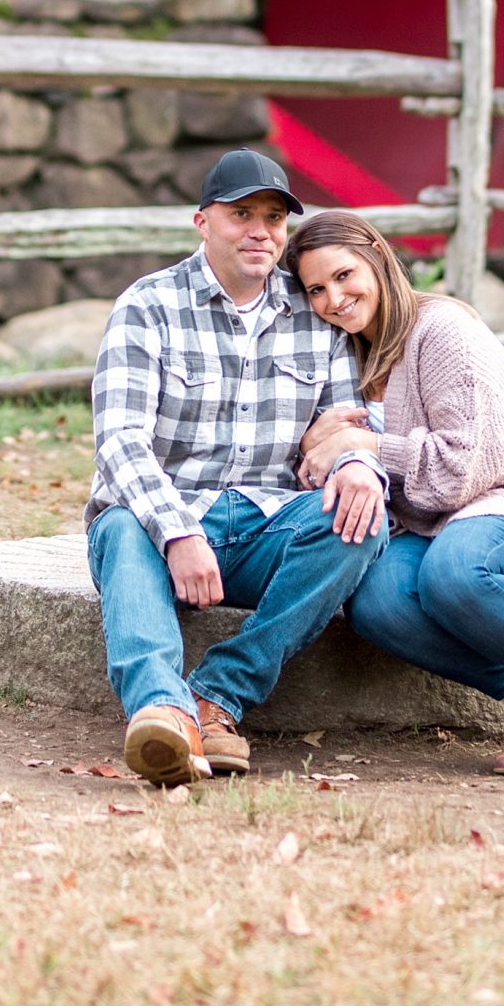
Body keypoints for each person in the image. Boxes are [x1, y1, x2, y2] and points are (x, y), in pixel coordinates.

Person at [85, 149, 389, 787]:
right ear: (202, 223)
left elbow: (349, 424)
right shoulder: (148, 307)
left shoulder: (315, 312)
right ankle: (161, 713)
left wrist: (359, 466)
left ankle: (215, 699)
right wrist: (177, 531)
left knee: (359, 519)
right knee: (117, 526)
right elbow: (119, 440)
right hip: (161, 521)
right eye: (241, 214)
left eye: (275, 217)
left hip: (267, 526)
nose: (261, 230)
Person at [285, 210, 504, 781]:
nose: (334, 299)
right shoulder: (350, 355)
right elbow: (324, 463)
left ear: (375, 254)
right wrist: (321, 444)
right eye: (316, 289)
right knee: (376, 604)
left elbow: (460, 474)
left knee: (454, 571)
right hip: (429, 528)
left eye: (344, 275)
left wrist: (365, 440)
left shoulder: (444, 333)